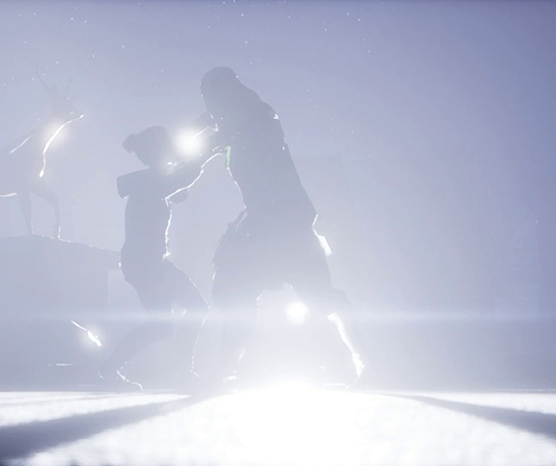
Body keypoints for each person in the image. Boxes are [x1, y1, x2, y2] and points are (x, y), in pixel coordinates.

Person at [196, 67, 367, 387]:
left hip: (286, 220)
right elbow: (209, 148)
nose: (210, 103)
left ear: (227, 92)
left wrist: (210, 135)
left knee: (319, 297)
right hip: (262, 219)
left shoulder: (256, 115)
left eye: (212, 96)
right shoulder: (232, 124)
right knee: (233, 291)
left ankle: (362, 360)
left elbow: (239, 133)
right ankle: (227, 367)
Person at [99, 125, 213, 391]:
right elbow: (185, 179)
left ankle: (178, 373)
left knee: (179, 317)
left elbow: (181, 192)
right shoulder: (150, 182)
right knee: (170, 322)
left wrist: (186, 156)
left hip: (149, 261)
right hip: (145, 263)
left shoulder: (151, 180)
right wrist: (208, 151)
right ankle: (114, 369)